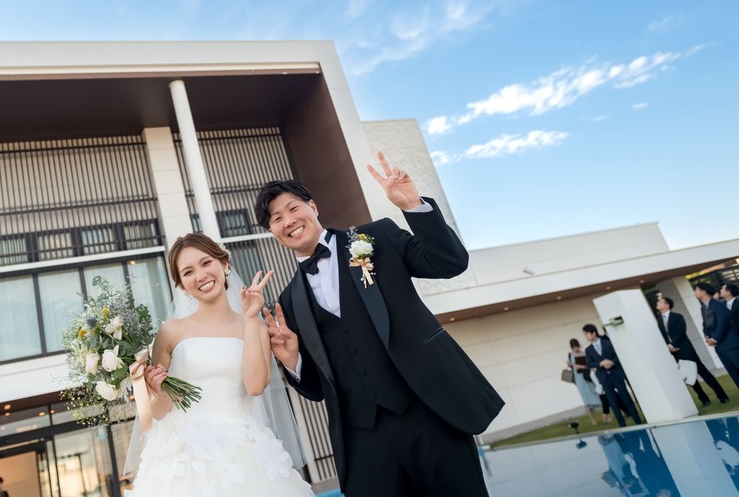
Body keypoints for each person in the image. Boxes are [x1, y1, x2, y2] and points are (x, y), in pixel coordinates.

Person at [255, 152, 503, 497]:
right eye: (276, 218)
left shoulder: (374, 238)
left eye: (293, 208)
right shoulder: (287, 301)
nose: (288, 221)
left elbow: (449, 263)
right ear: (272, 232)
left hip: (429, 411)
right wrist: (292, 361)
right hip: (362, 439)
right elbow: (315, 388)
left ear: (313, 206)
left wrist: (413, 205)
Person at [128, 232, 313, 497]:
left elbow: (255, 386)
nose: (200, 275)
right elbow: (159, 412)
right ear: (182, 286)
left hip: (242, 452)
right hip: (183, 458)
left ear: (224, 264)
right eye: (188, 272)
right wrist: (158, 392)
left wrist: (250, 318)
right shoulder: (170, 332)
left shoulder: (256, 325)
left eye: (206, 263)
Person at [655, 296, 729, 406]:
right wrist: (669, 347)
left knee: (703, 373)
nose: (658, 303)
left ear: (667, 305)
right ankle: (704, 399)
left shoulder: (677, 316)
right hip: (675, 352)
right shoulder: (659, 319)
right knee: (689, 376)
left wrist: (672, 344)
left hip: (686, 350)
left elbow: (681, 332)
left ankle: (722, 396)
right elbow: (663, 336)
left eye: (660, 302)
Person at [583, 324, 642, 427]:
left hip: (616, 375)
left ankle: (638, 421)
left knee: (626, 398)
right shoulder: (588, 350)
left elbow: (618, 355)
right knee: (613, 403)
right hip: (604, 378)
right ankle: (622, 425)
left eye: (586, 334)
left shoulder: (608, 343)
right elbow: (589, 364)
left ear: (593, 333)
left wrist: (612, 362)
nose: (585, 336)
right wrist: (600, 363)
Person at [695, 281, 739, 388]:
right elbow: (705, 325)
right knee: (734, 375)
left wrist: (715, 339)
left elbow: (723, 323)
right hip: (720, 347)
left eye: (696, 290)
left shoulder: (718, 304)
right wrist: (707, 336)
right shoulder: (703, 307)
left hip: (731, 344)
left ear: (703, 292)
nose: (694, 292)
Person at [567, 338, 607, 423]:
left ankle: (604, 415)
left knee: (596, 394)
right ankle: (593, 419)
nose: (576, 349)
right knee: (586, 400)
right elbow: (572, 367)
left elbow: (589, 363)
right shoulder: (570, 355)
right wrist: (571, 365)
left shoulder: (584, 353)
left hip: (588, 375)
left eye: (577, 346)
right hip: (579, 378)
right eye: (574, 347)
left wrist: (583, 366)